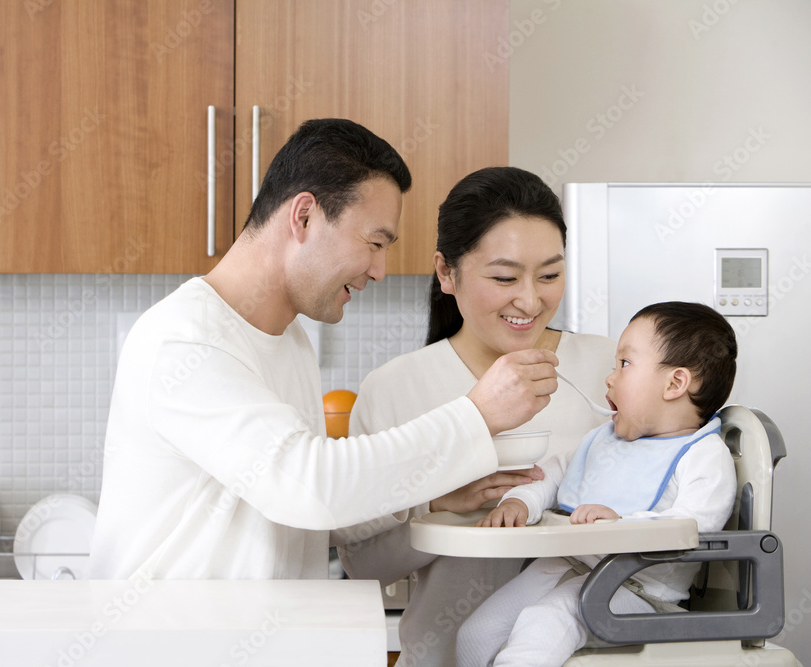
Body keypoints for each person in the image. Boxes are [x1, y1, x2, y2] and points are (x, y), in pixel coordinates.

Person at [87, 120, 560, 581]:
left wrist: (430, 501)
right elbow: (308, 486)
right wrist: (476, 415)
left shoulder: (288, 339)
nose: (380, 270)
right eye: (375, 243)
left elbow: (299, 516)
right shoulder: (188, 340)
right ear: (305, 216)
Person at [334, 166, 617, 667]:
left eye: (549, 275)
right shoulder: (397, 388)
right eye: (504, 277)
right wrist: (439, 501)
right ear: (447, 272)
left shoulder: (610, 372)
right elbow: (365, 566)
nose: (530, 300)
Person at [455, 301, 739, 667]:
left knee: (545, 622)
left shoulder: (702, 455)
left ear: (675, 383)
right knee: (476, 633)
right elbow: (555, 472)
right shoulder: (606, 440)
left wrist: (620, 526)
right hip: (566, 565)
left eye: (625, 363)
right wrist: (520, 502)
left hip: (636, 588)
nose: (610, 377)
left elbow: (695, 524)